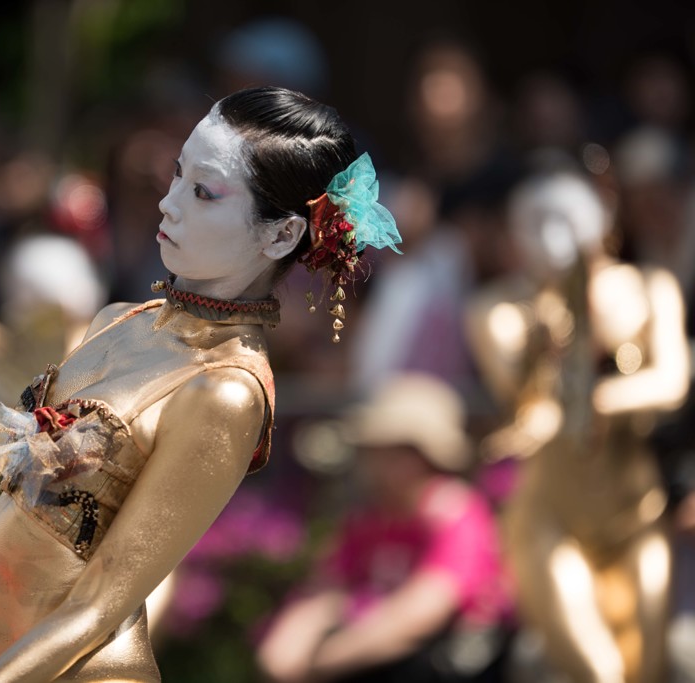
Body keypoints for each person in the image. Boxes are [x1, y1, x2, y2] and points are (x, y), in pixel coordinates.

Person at [0, 86, 401, 682]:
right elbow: (16, 526)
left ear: (281, 234)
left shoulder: (227, 393)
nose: (169, 202)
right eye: (177, 175)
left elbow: (99, 605)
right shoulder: (118, 320)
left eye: (205, 192)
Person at [465, 164, 689, 683]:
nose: (553, 236)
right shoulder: (498, 309)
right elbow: (522, 398)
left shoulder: (648, 288)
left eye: (566, 218)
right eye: (536, 223)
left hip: (637, 509)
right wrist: (554, 331)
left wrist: (596, 396)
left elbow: (670, 383)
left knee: (650, 668)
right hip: (551, 515)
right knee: (599, 673)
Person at [256, 374, 510, 683]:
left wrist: (324, 662)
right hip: (375, 656)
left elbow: (425, 609)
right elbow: (328, 586)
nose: (368, 463)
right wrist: (290, 641)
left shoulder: (456, 514)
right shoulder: (369, 517)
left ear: (418, 456)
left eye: (382, 452)